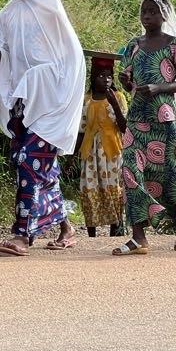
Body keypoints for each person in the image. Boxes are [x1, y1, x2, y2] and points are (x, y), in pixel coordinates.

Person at [0, 0, 86, 256]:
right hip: (24, 105)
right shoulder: (8, 14)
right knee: (38, 166)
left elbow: (73, 60)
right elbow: (7, 62)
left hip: (50, 106)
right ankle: (65, 226)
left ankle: (22, 235)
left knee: (28, 161)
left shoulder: (51, 15)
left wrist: (49, 83)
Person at [112, 0, 176, 255]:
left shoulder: (173, 46)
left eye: (153, 12)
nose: (147, 16)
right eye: (144, 12)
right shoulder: (133, 46)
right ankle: (138, 236)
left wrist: (159, 87)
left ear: (164, 16)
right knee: (130, 171)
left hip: (163, 119)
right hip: (137, 119)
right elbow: (128, 82)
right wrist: (125, 79)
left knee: (171, 172)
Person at [76, 54, 127, 238]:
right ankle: (91, 234)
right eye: (101, 76)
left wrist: (114, 103)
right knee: (90, 188)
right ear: (93, 77)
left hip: (112, 152)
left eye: (109, 76)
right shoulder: (86, 100)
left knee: (113, 188)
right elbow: (81, 129)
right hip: (90, 153)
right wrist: (71, 157)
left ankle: (116, 230)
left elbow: (124, 127)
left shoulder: (118, 97)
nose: (105, 80)